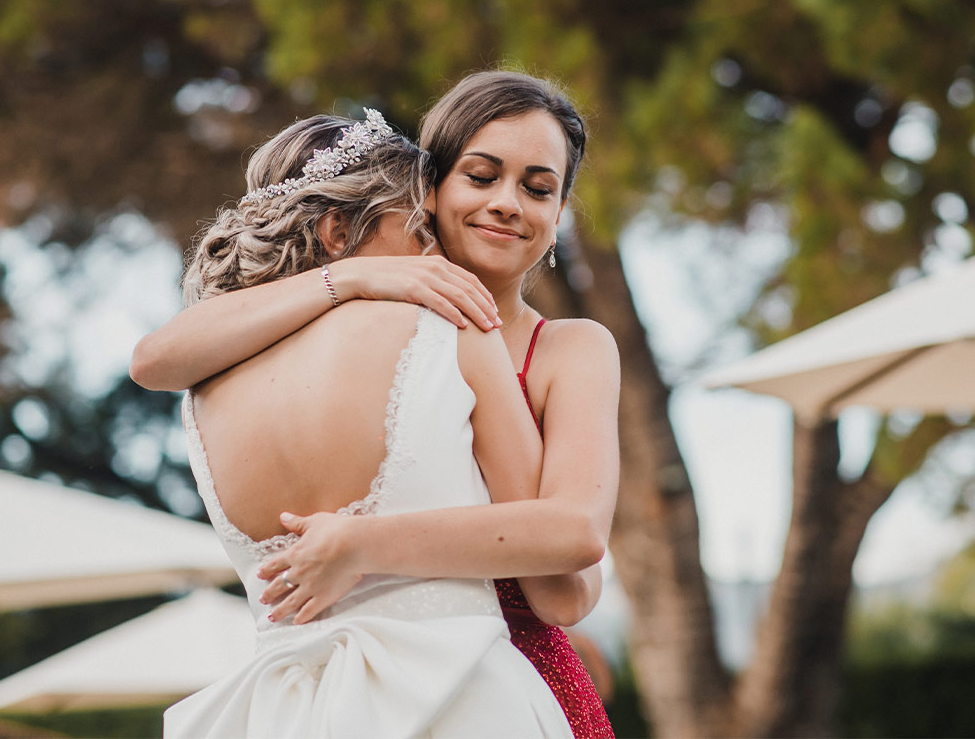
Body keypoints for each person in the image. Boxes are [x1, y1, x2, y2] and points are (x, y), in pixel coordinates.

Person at [134, 72, 620, 739]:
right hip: (446, 688)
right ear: (433, 186)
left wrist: (359, 543)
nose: (508, 203)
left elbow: (567, 580)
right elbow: (152, 359)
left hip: (492, 672)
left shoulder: (568, 348)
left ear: (560, 211)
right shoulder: (426, 331)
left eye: (539, 189)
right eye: (480, 177)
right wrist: (351, 277)